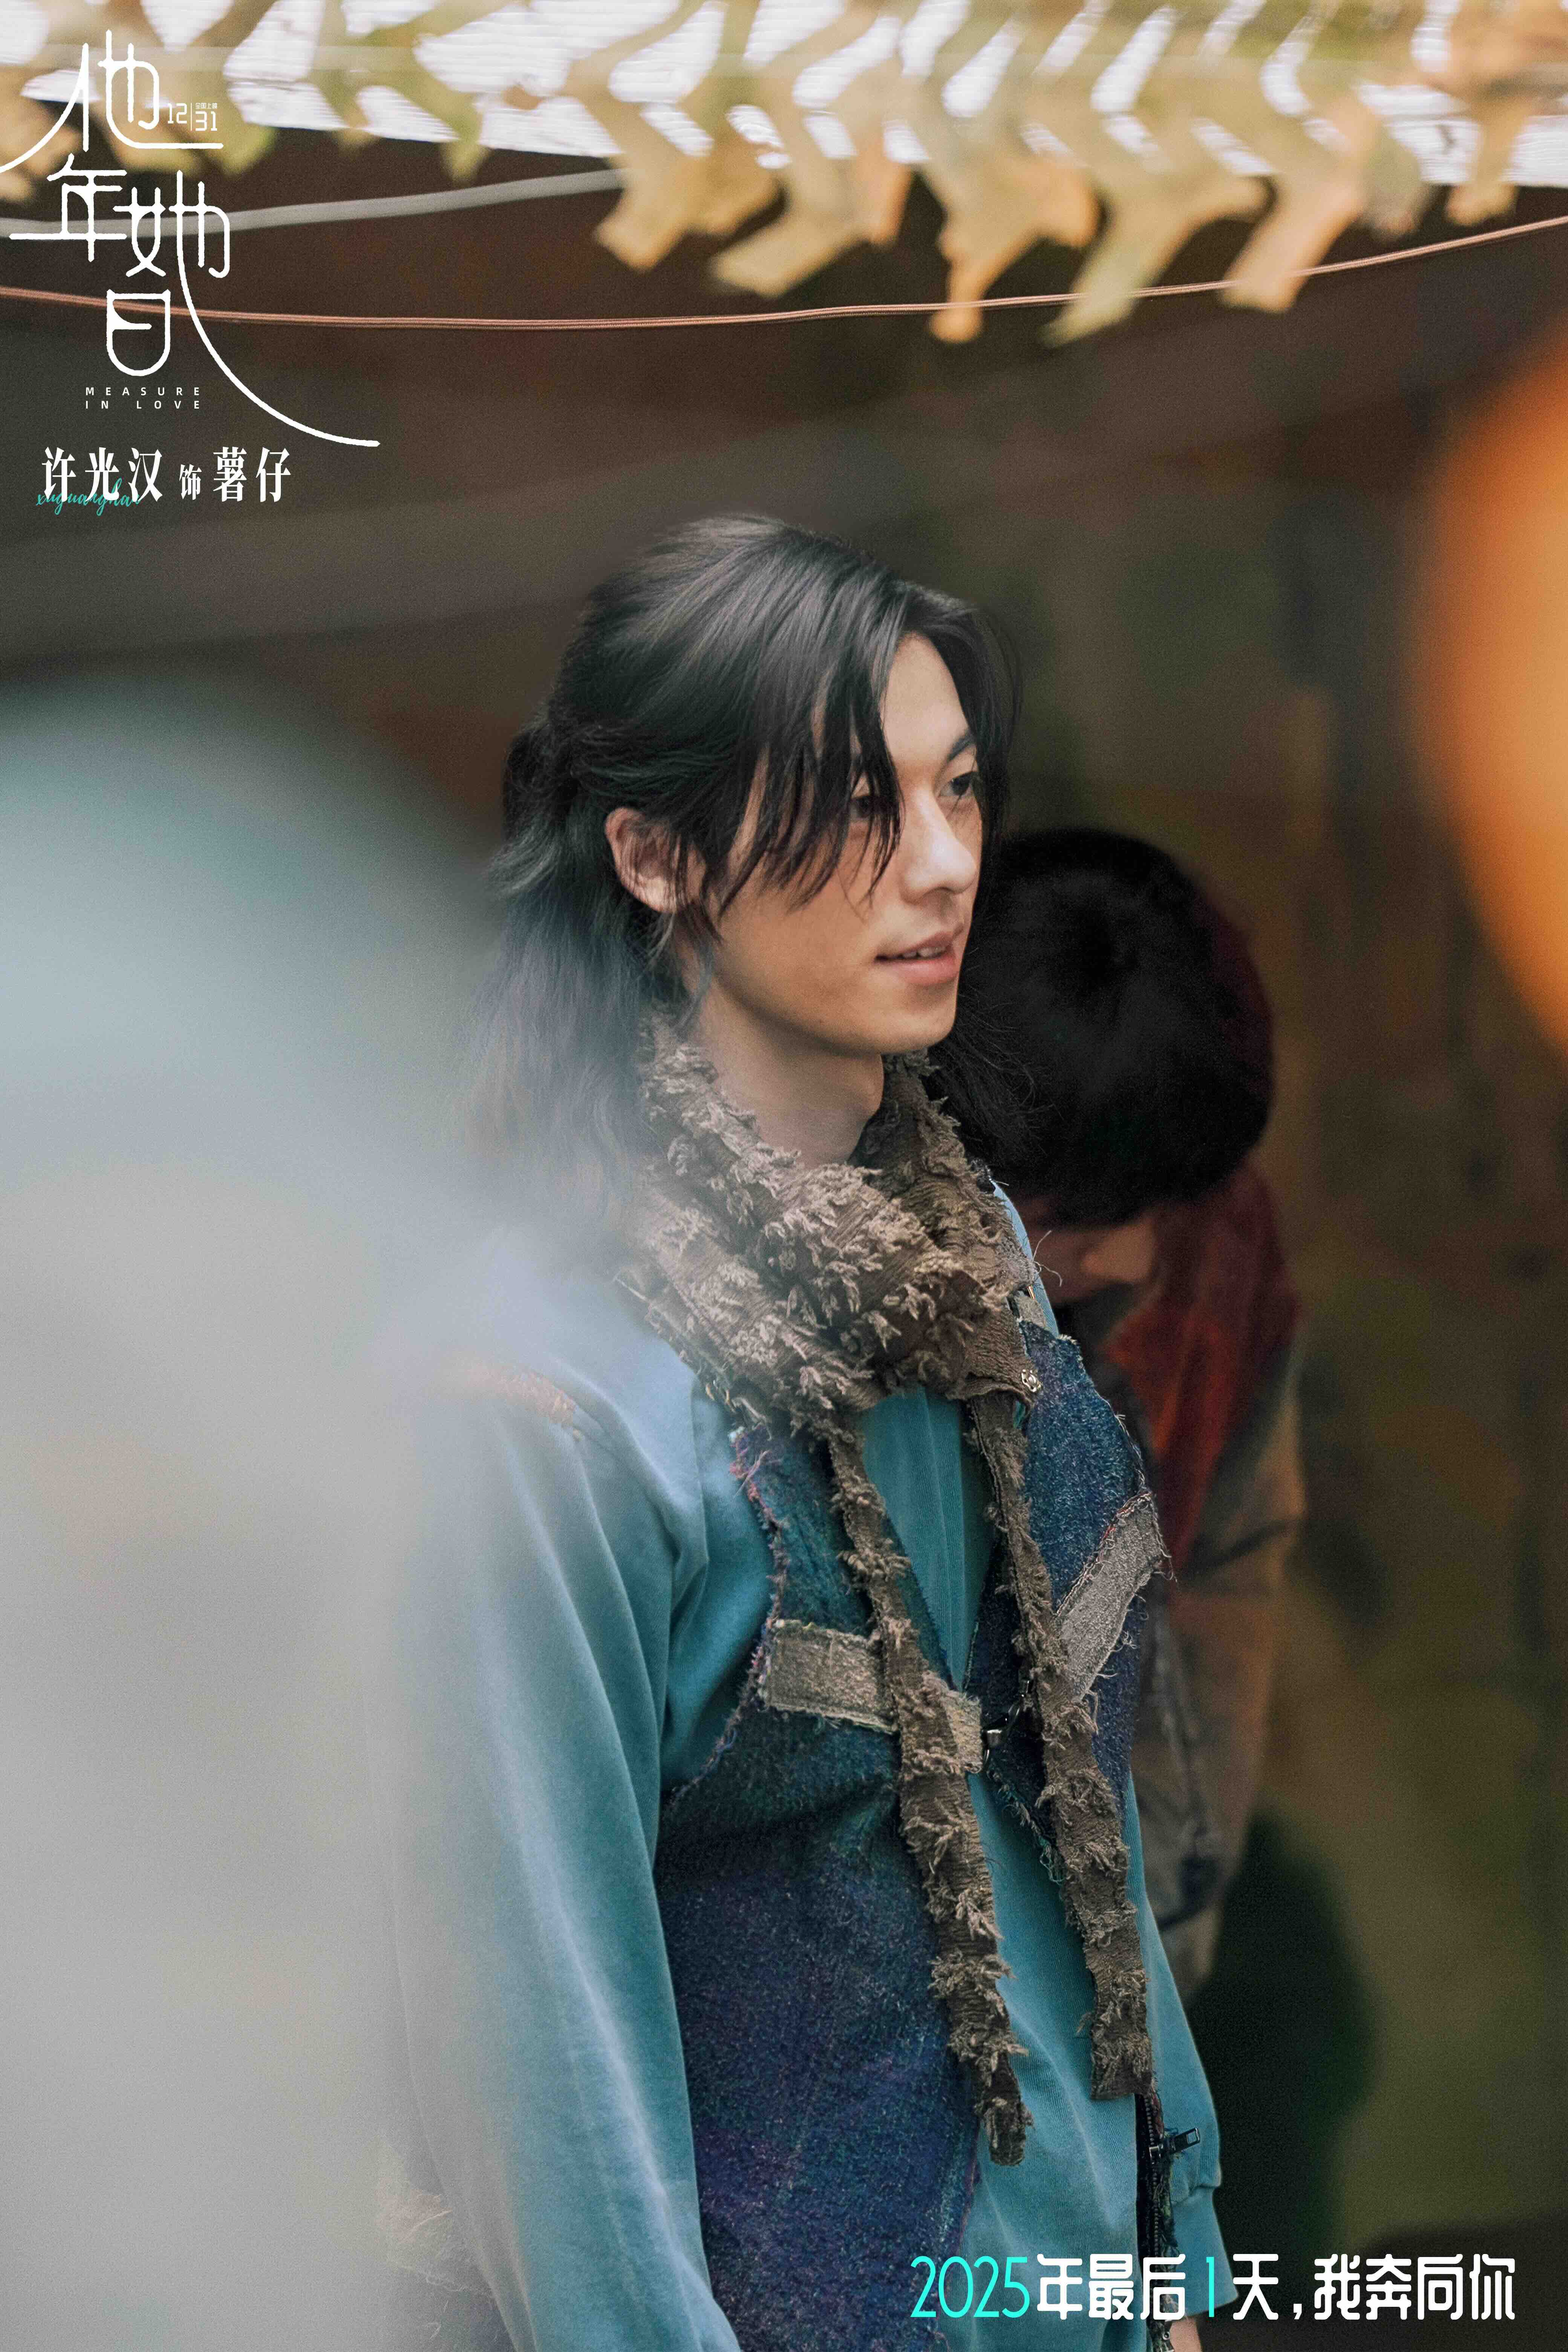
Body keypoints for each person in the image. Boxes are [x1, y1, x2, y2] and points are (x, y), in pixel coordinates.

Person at [363, 519, 1230, 2352]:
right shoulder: (542, 1393)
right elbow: (545, 2068)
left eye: (958, 790)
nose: (943, 863)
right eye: (853, 804)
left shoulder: (969, 1248)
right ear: (654, 854)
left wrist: (1176, 2254)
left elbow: (1063, 1808)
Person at [959, 830, 1305, 2002]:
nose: (1137, 1258)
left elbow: (1228, 1582)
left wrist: (1162, 1953)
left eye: (1166, 1204)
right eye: (1084, 1215)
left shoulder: (1223, 1246)